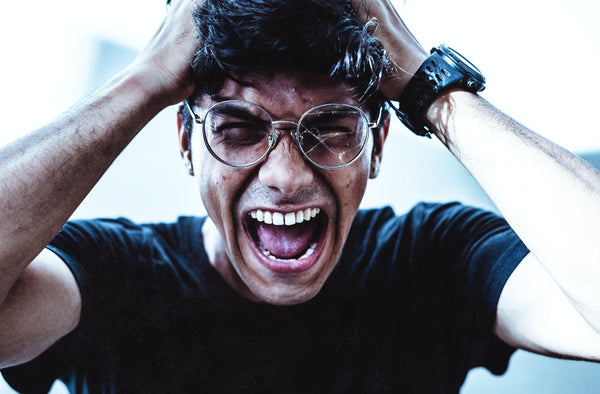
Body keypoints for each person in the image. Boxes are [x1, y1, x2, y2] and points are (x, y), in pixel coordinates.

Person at [0, 0, 599, 392]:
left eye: (333, 129)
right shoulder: (104, 273)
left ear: (378, 143)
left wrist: (426, 84)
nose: (287, 177)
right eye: (238, 128)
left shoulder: (436, 259)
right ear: (187, 141)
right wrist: (144, 81)